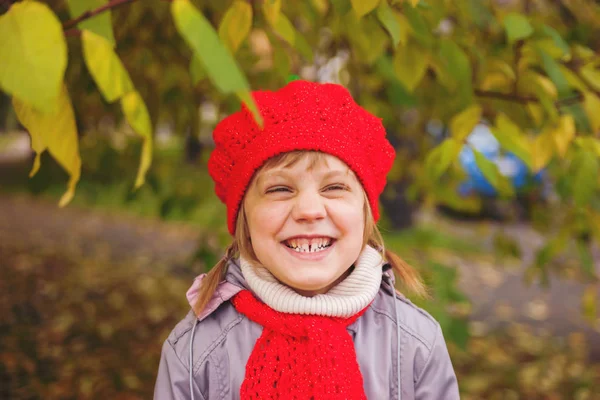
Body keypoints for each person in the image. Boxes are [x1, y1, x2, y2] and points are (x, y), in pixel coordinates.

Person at [153, 80, 460, 399]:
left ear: (365, 215)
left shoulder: (415, 344)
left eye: (334, 187)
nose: (309, 211)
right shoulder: (195, 351)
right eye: (280, 189)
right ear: (245, 222)